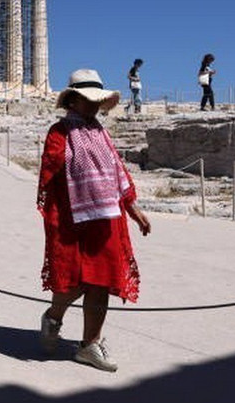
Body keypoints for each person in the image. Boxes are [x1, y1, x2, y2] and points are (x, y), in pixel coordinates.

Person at [37, 68, 151, 372]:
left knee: (102, 280)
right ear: (72, 100)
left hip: (107, 217)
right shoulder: (58, 132)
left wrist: (133, 207)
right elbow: (51, 170)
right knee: (73, 280)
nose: (93, 106)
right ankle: (53, 317)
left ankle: (89, 345)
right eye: (87, 100)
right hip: (74, 217)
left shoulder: (101, 132)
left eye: (97, 101)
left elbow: (116, 171)